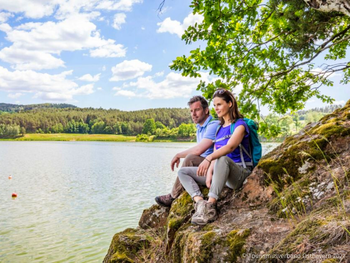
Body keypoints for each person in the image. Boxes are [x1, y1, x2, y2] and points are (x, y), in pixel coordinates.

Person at [178, 89, 252, 225]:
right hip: (222, 172)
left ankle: (210, 207)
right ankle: (200, 203)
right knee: (183, 171)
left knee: (222, 159)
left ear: (230, 104)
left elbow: (229, 148)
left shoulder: (240, 125)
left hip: (240, 173)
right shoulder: (219, 128)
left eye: (219, 104)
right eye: (215, 105)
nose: (216, 108)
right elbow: (216, 150)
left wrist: (208, 158)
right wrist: (210, 172)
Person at [155, 96, 219, 207]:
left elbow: (199, 150)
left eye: (197, 110)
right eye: (191, 111)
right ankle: (176, 193)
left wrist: (178, 155)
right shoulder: (200, 127)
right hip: (203, 164)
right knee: (190, 158)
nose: (193, 114)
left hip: (213, 165)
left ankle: (173, 196)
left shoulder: (213, 124)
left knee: (189, 158)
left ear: (206, 110)